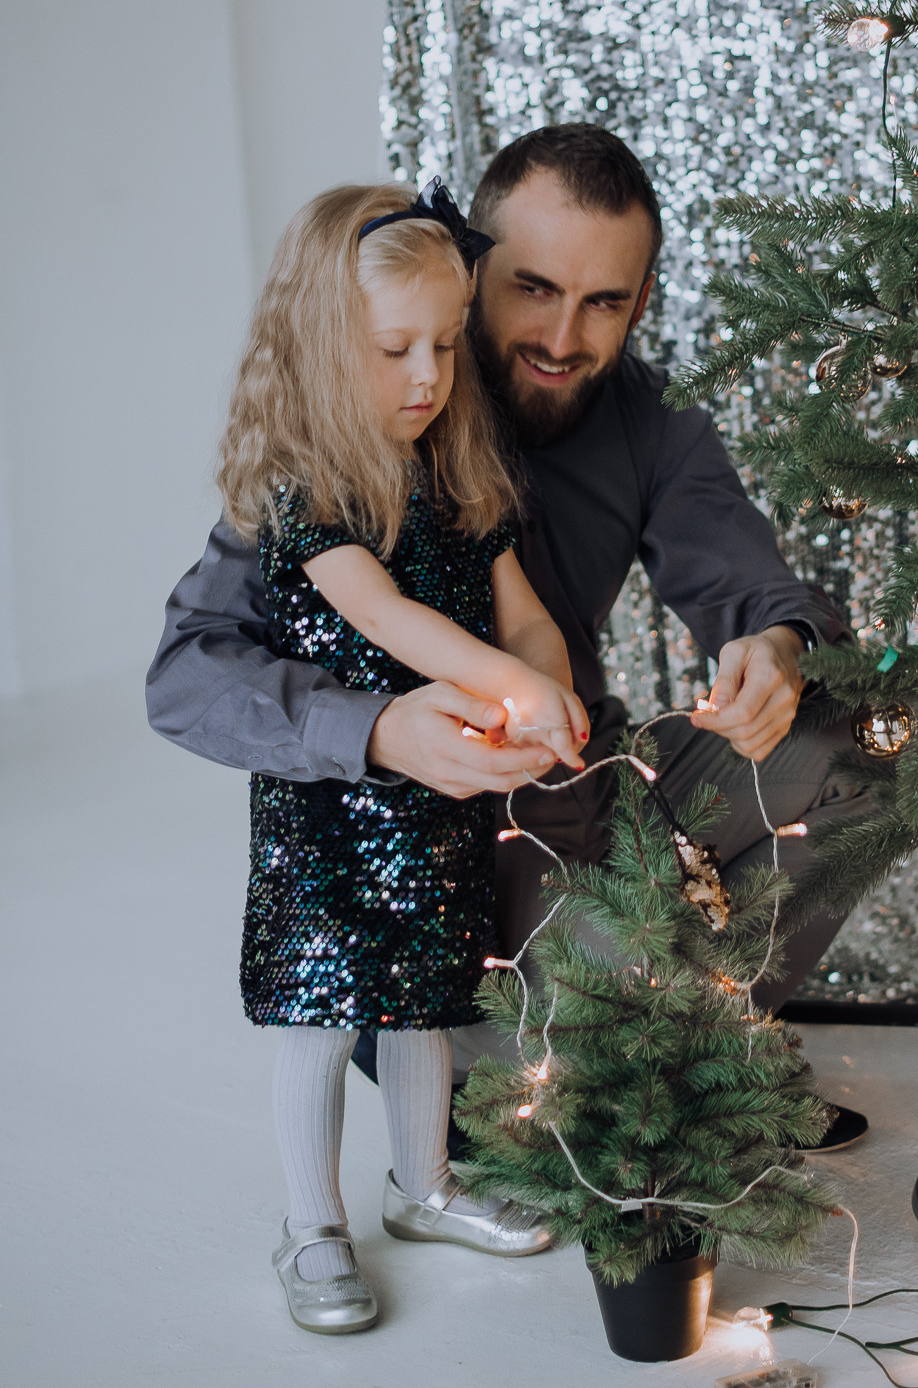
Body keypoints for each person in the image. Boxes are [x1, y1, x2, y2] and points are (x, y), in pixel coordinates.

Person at [147, 124, 870, 1157]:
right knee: (616, 987)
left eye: (602, 302)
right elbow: (184, 676)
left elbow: (752, 590)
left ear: (640, 304)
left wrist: (776, 647)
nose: (562, 336)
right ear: (468, 267)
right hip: (431, 869)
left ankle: (683, 1046)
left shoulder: (652, 425)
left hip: (590, 790)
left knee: (873, 740)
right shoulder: (355, 426)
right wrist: (381, 732)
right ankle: (599, 1059)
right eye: (532, 288)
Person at [208, 179, 592, 1336]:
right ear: (325, 349)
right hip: (333, 813)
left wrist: (547, 677)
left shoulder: (452, 472)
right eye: (393, 349)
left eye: (442, 346)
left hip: (436, 810)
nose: (426, 376)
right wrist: (504, 683)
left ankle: (421, 1187)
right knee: (323, 1018)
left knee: (427, 998)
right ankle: (310, 1223)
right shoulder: (306, 490)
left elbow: (515, 607)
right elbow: (385, 618)